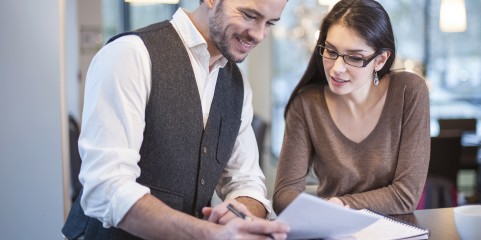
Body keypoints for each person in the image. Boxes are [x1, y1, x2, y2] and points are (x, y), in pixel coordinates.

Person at [61, 0, 290, 239]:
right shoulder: (130, 55)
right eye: (249, 15)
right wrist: (209, 234)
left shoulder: (237, 84)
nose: (259, 34)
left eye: (270, 23)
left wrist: (240, 213)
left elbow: (246, 180)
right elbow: (105, 188)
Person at [273, 0, 430, 215]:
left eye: (354, 58)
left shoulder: (409, 91)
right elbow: (283, 194)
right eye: (331, 51)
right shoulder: (307, 104)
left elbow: (405, 196)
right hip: (334, 228)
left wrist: (339, 205)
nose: (337, 69)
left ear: (380, 60)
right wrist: (328, 209)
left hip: (397, 230)